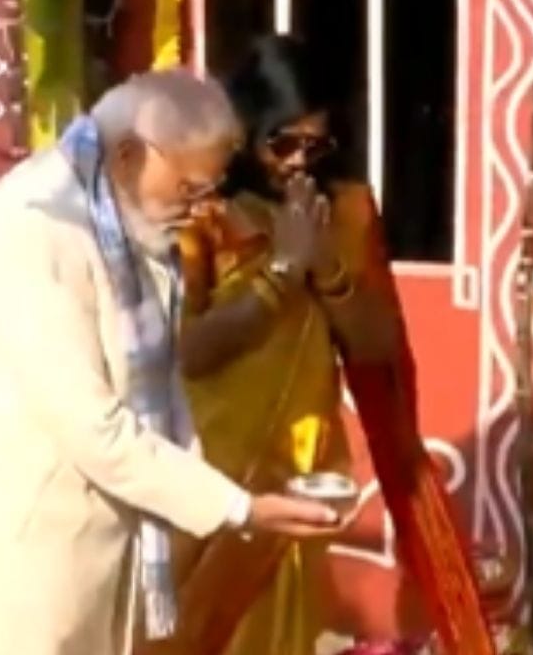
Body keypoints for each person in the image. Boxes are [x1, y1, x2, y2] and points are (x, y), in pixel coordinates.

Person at [0, 69, 344, 655]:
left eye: (209, 191)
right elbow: (95, 426)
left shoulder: (124, 213)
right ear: (128, 155)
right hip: (11, 546)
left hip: (82, 542)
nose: (199, 209)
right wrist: (237, 507)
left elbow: (156, 373)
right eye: (189, 189)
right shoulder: (34, 227)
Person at [164, 35, 495, 654]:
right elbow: (192, 352)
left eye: (315, 146)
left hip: (306, 471)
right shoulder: (200, 213)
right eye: (281, 144)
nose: (298, 162)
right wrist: (282, 270)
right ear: (243, 131)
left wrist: (326, 266)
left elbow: (376, 345)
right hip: (212, 475)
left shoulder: (343, 210)